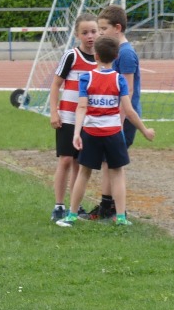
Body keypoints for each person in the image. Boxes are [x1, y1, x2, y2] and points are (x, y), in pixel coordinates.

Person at [56, 34, 155, 228]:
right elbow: (128, 110)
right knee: (117, 173)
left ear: (96, 56)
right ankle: (121, 218)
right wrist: (144, 130)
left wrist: (76, 133)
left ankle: (71, 215)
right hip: (113, 134)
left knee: (84, 173)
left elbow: (81, 107)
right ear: (116, 56)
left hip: (91, 133)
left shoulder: (87, 78)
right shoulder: (120, 80)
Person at [85, 4, 142, 220]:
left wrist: (118, 121)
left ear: (117, 28)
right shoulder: (117, 51)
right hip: (111, 118)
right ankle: (107, 206)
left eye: (103, 29)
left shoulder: (125, 54)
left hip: (122, 119)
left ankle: (113, 209)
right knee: (107, 162)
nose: (99, 33)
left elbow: (127, 91)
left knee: (113, 164)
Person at [48, 13, 99, 222]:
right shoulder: (71, 56)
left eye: (94, 31)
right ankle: (59, 205)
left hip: (87, 120)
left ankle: (74, 206)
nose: (90, 36)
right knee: (66, 160)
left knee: (80, 162)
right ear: (77, 35)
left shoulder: (101, 58)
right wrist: (54, 111)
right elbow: (56, 84)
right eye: (85, 32)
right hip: (68, 117)